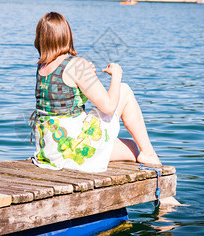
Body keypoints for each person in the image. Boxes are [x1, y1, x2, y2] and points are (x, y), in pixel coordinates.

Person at [29, 12, 181, 206]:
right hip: (74, 151)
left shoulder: (43, 67)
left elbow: (68, 94)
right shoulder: (76, 65)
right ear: (67, 35)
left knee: (132, 147)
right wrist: (116, 75)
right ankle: (164, 195)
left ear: (41, 38)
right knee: (124, 91)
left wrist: (87, 73)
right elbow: (108, 107)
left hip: (50, 151)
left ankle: (159, 183)